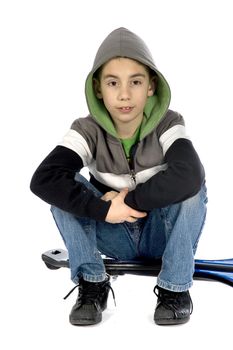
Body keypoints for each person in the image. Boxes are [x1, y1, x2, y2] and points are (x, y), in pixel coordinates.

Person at [30, 27, 207, 326]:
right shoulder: (86, 131)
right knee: (62, 189)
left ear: (150, 86)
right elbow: (44, 179)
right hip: (113, 234)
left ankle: (174, 289)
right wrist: (104, 208)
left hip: (161, 234)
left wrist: (128, 200)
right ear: (99, 88)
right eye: (113, 83)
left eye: (135, 82)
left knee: (192, 188)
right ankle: (92, 283)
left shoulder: (168, 124)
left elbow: (189, 174)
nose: (124, 94)